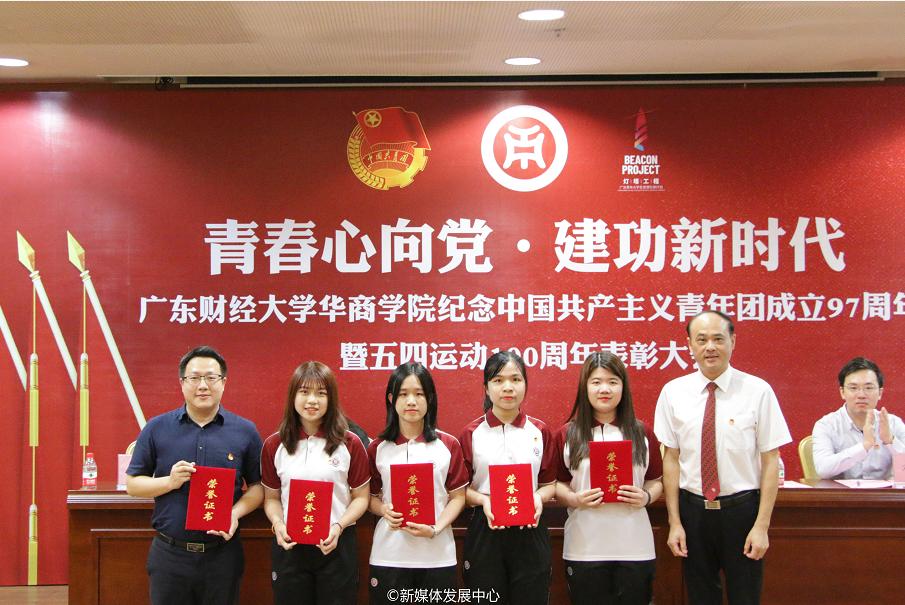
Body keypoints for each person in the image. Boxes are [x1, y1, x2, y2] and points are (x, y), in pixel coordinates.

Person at [653, 310, 791, 605]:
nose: (710, 347)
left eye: (718, 339)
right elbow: (671, 459)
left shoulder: (758, 391)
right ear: (689, 345)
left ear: (733, 341)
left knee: (745, 597)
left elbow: (770, 460)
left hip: (742, 512)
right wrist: (675, 522)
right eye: (701, 340)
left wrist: (762, 526)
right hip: (693, 513)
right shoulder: (673, 392)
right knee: (700, 596)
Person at [126, 345, 264, 605]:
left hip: (222, 555)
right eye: (194, 378)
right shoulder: (156, 428)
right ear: (182, 383)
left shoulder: (245, 431)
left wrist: (234, 514)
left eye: (211, 378)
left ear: (223, 382)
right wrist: (169, 482)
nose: (203, 385)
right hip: (170, 555)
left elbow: (259, 487)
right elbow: (133, 484)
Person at [554, 352, 663, 605]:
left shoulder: (642, 432)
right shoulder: (567, 434)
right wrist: (574, 498)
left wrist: (646, 497)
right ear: (585, 387)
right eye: (596, 382)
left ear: (623, 387)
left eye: (613, 382)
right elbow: (555, 484)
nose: (605, 389)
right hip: (584, 547)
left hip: (635, 546)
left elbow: (656, 480)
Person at [261, 361, 369, 605]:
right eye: (304, 392)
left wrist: (339, 526)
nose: (312, 400)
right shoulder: (274, 444)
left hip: (337, 545)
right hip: (290, 547)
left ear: (331, 399)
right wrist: (278, 523)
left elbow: (361, 497)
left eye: (321, 393)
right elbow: (271, 498)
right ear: (293, 396)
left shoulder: (350, 442)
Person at [459, 350, 557, 604]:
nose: (508, 387)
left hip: (530, 528)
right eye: (498, 380)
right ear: (486, 388)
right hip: (486, 527)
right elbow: (460, 491)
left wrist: (537, 497)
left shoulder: (540, 431)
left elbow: (550, 484)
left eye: (516, 379)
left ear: (525, 384)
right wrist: (484, 500)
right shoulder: (471, 433)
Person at [367, 362, 469, 604]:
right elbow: (367, 498)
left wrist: (436, 528)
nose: (411, 401)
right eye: (403, 394)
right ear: (391, 399)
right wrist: (383, 510)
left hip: (437, 556)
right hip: (389, 555)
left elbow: (458, 497)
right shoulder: (377, 447)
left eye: (419, 394)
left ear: (430, 398)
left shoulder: (448, 445)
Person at [812, 356, 905, 480]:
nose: (861, 395)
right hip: (841, 492)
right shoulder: (826, 425)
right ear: (842, 392)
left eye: (868, 388)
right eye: (853, 388)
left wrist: (890, 441)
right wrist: (864, 446)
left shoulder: (893, 424)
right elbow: (823, 469)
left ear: (880, 393)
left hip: (884, 492)